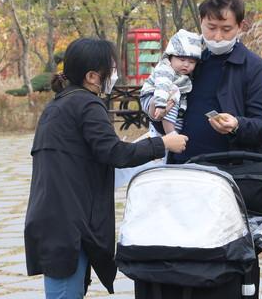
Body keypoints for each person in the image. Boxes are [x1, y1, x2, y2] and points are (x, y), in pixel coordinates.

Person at [24, 38, 188, 299]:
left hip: (53, 217)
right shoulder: (87, 105)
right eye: (110, 69)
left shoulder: (59, 104)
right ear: (91, 76)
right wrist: (163, 143)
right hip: (68, 223)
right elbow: (114, 153)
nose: (114, 74)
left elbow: (94, 154)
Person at [169, 0, 262, 163]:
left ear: (240, 26)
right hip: (185, 165)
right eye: (211, 28)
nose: (217, 37)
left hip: (232, 171)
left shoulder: (255, 68)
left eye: (226, 29)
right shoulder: (191, 63)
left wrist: (237, 125)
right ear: (201, 21)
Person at [140, 29, 202, 135]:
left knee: (175, 99)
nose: (186, 65)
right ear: (170, 57)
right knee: (173, 93)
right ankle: (171, 133)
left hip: (164, 101)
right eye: (182, 60)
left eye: (191, 62)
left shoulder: (184, 76)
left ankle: (173, 132)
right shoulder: (166, 68)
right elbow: (162, 85)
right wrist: (160, 105)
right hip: (152, 97)